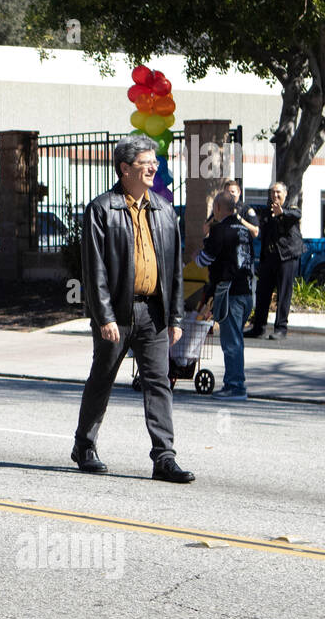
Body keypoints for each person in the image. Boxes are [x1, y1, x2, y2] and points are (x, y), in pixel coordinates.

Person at [73, 136, 193, 483]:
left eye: (153, 161)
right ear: (125, 169)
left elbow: (175, 269)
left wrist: (176, 317)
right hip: (117, 315)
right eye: (145, 162)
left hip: (153, 313)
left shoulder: (164, 209)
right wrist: (104, 316)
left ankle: (164, 457)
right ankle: (84, 445)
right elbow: (93, 270)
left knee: (159, 383)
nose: (153, 167)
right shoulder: (102, 209)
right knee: (103, 379)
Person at [198, 191, 254, 401]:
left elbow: (205, 259)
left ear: (218, 209)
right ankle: (235, 382)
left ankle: (235, 386)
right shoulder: (244, 231)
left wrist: (196, 258)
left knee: (231, 342)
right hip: (247, 291)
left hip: (230, 292)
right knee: (236, 339)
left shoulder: (220, 230)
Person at [247, 181, 303, 340]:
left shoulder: (291, 210)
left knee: (284, 294)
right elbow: (254, 214)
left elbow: (297, 215)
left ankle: (281, 328)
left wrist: (281, 213)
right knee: (262, 292)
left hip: (287, 257)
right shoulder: (266, 211)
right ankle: (258, 328)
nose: (275, 195)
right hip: (268, 258)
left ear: (285, 194)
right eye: (272, 192)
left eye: (278, 192)